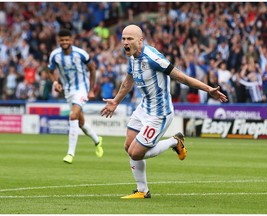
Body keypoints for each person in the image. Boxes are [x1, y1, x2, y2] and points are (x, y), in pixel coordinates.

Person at [100, 25, 227, 199]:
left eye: (130, 39)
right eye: (123, 39)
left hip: (160, 113)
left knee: (135, 153)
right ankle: (142, 191)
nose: (125, 42)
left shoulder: (153, 58)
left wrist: (208, 89)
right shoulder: (131, 57)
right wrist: (115, 101)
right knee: (128, 146)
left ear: (140, 40)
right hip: (144, 107)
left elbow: (182, 77)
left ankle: (174, 141)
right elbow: (128, 81)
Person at [48, 29, 103, 164]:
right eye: (62, 40)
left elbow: (93, 68)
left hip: (81, 90)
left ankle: (70, 153)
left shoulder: (81, 53)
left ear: (71, 40)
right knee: (80, 122)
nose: (64, 42)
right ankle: (97, 140)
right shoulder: (55, 55)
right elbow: (50, 71)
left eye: (67, 39)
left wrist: (91, 90)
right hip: (68, 91)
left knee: (73, 116)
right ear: (58, 41)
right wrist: (55, 82)